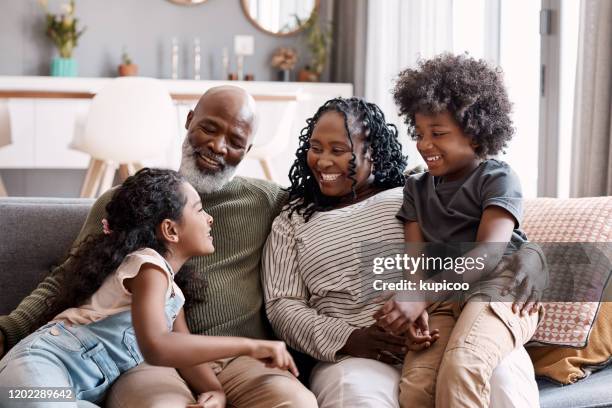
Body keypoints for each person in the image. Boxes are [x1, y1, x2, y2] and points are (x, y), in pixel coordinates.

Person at [0, 86, 317, 408]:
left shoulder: (266, 201)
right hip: (144, 363)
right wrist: (8, 330)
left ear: (247, 151)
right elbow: (67, 277)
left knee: (295, 403)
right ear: (190, 120)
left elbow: (329, 214)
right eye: (209, 128)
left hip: (236, 362)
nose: (217, 146)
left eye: (235, 142)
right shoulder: (128, 204)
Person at [263, 96, 546, 408]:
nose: (323, 161)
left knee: (500, 379)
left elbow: (492, 235)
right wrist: (349, 338)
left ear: (372, 151)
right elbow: (282, 305)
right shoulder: (292, 221)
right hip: (358, 355)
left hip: (451, 323)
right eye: (315, 148)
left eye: (339, 150)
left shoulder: (413, 189)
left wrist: (533, 256)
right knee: (359, 397)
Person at [0, 168, 298, 408]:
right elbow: (157, 346)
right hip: (37, 371)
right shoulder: (147, 267)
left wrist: (215, 391)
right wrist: (251, 345)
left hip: (75, 394)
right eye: (199, 210)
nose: (210, 218)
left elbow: (181, 351)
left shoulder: (171, 293)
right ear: (170, 229)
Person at [375, 53, 543, 408]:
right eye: (419, 133)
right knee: (417, 387)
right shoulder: (416, 188)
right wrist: (414, 305)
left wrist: (424, 295)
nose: (424, 144)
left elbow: (489, 252)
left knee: (463, 365)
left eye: (438, 133)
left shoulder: (497, 178)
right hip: (443, 301)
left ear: (476, 133)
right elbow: (415, 265)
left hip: (500, 289)